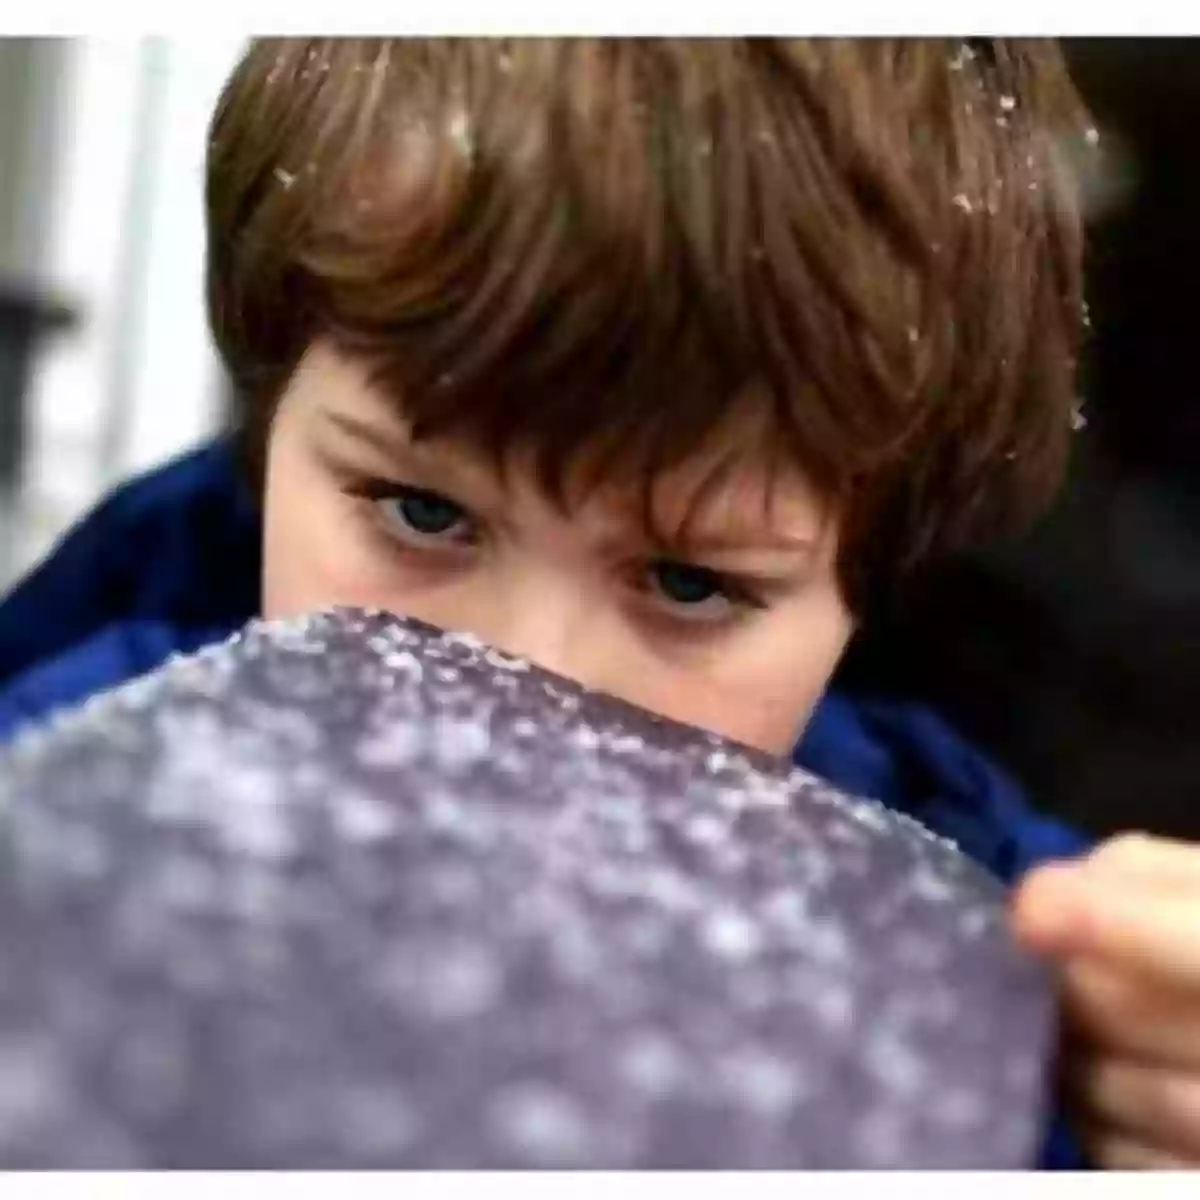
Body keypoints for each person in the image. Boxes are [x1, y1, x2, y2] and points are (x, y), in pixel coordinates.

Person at [0, 38, 1196, 1170]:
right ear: (268, 428)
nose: (521, 686)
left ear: (870, 585)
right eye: (422, 513)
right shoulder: (55, 788)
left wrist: (1131, 1089)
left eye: (687, 583)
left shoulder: (979, 940)